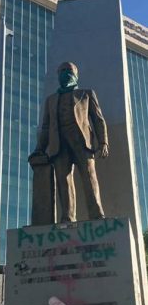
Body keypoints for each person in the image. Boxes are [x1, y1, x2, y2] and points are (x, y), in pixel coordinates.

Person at [31, 61, 108, 222]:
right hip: (59, 145)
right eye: (62, 70)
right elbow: (45, 127)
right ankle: (67, 217)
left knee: (89, 178)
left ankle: (97, 215)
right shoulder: (51, 100)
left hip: (82, 142)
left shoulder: (86, 94)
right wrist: (40, 148)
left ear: (76, 74)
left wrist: (103, 142)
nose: (65, 73)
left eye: (69, 70)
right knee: (63, 182)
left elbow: (98, 119)